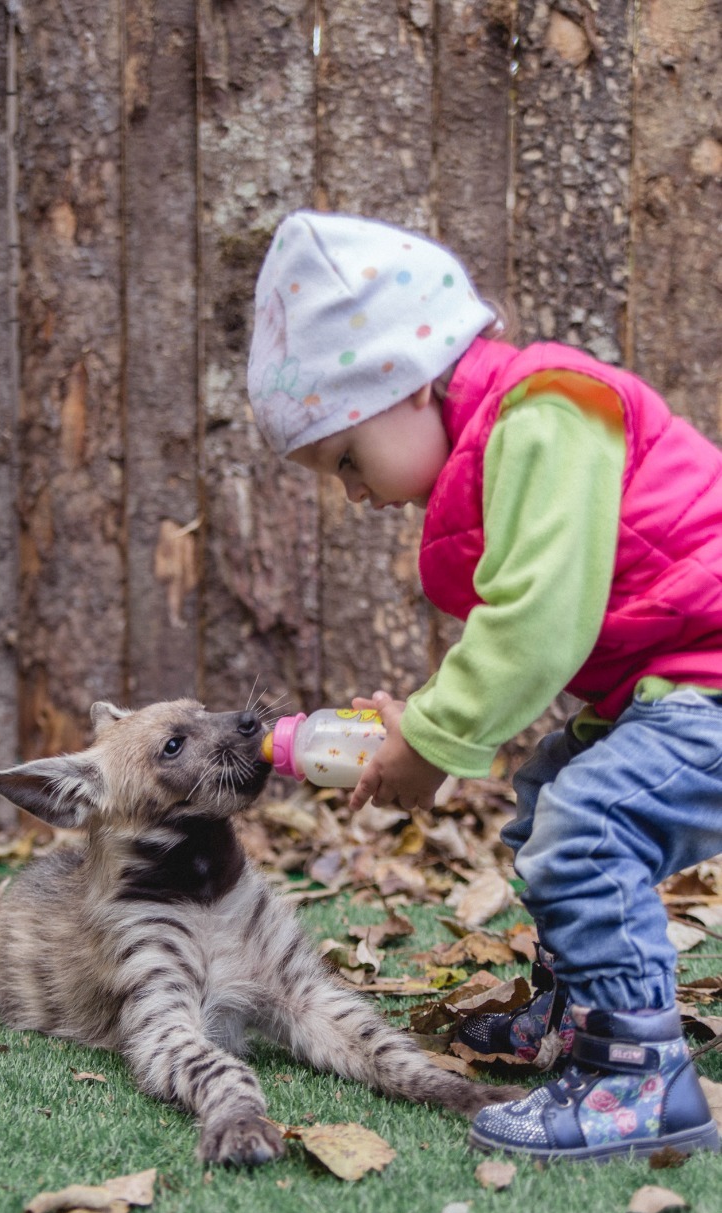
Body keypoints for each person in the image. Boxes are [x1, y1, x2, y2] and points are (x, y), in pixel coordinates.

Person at [246, 208, 722, 1163]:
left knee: (587, 821)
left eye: (346, 457)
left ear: (408, 383)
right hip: (680, 682)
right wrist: (427, 724)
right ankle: (583, 1015)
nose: (354, 492)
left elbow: (538, 617)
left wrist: (427, 739)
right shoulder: (506, 438)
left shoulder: (547, 411)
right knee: (552, 792)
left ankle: (636, 1079)